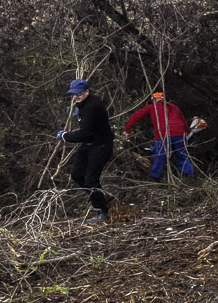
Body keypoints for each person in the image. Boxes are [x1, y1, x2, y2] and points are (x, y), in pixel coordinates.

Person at [56, 78, 114, 223]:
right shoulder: (82, 104)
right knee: (76, 174)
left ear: (87, 91)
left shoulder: (92, 106)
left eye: (79, 93)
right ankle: (101, 198)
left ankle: (102, 211)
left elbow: (84, 133)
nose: (76, 96)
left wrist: (65, 136)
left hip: (100, 145)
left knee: (90, 180)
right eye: (74, 94)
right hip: (89, 144)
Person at [123, 92, 194, 180]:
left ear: (154, 99)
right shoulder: (174, 107)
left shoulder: (152, 107)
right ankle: (188, 177)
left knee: (159, 158)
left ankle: (155, 179)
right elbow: (184, 122)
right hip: (179, 134)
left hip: (163, 134)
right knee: (182, 155)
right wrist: (186, 132)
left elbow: (136, 117)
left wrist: (127, 130)